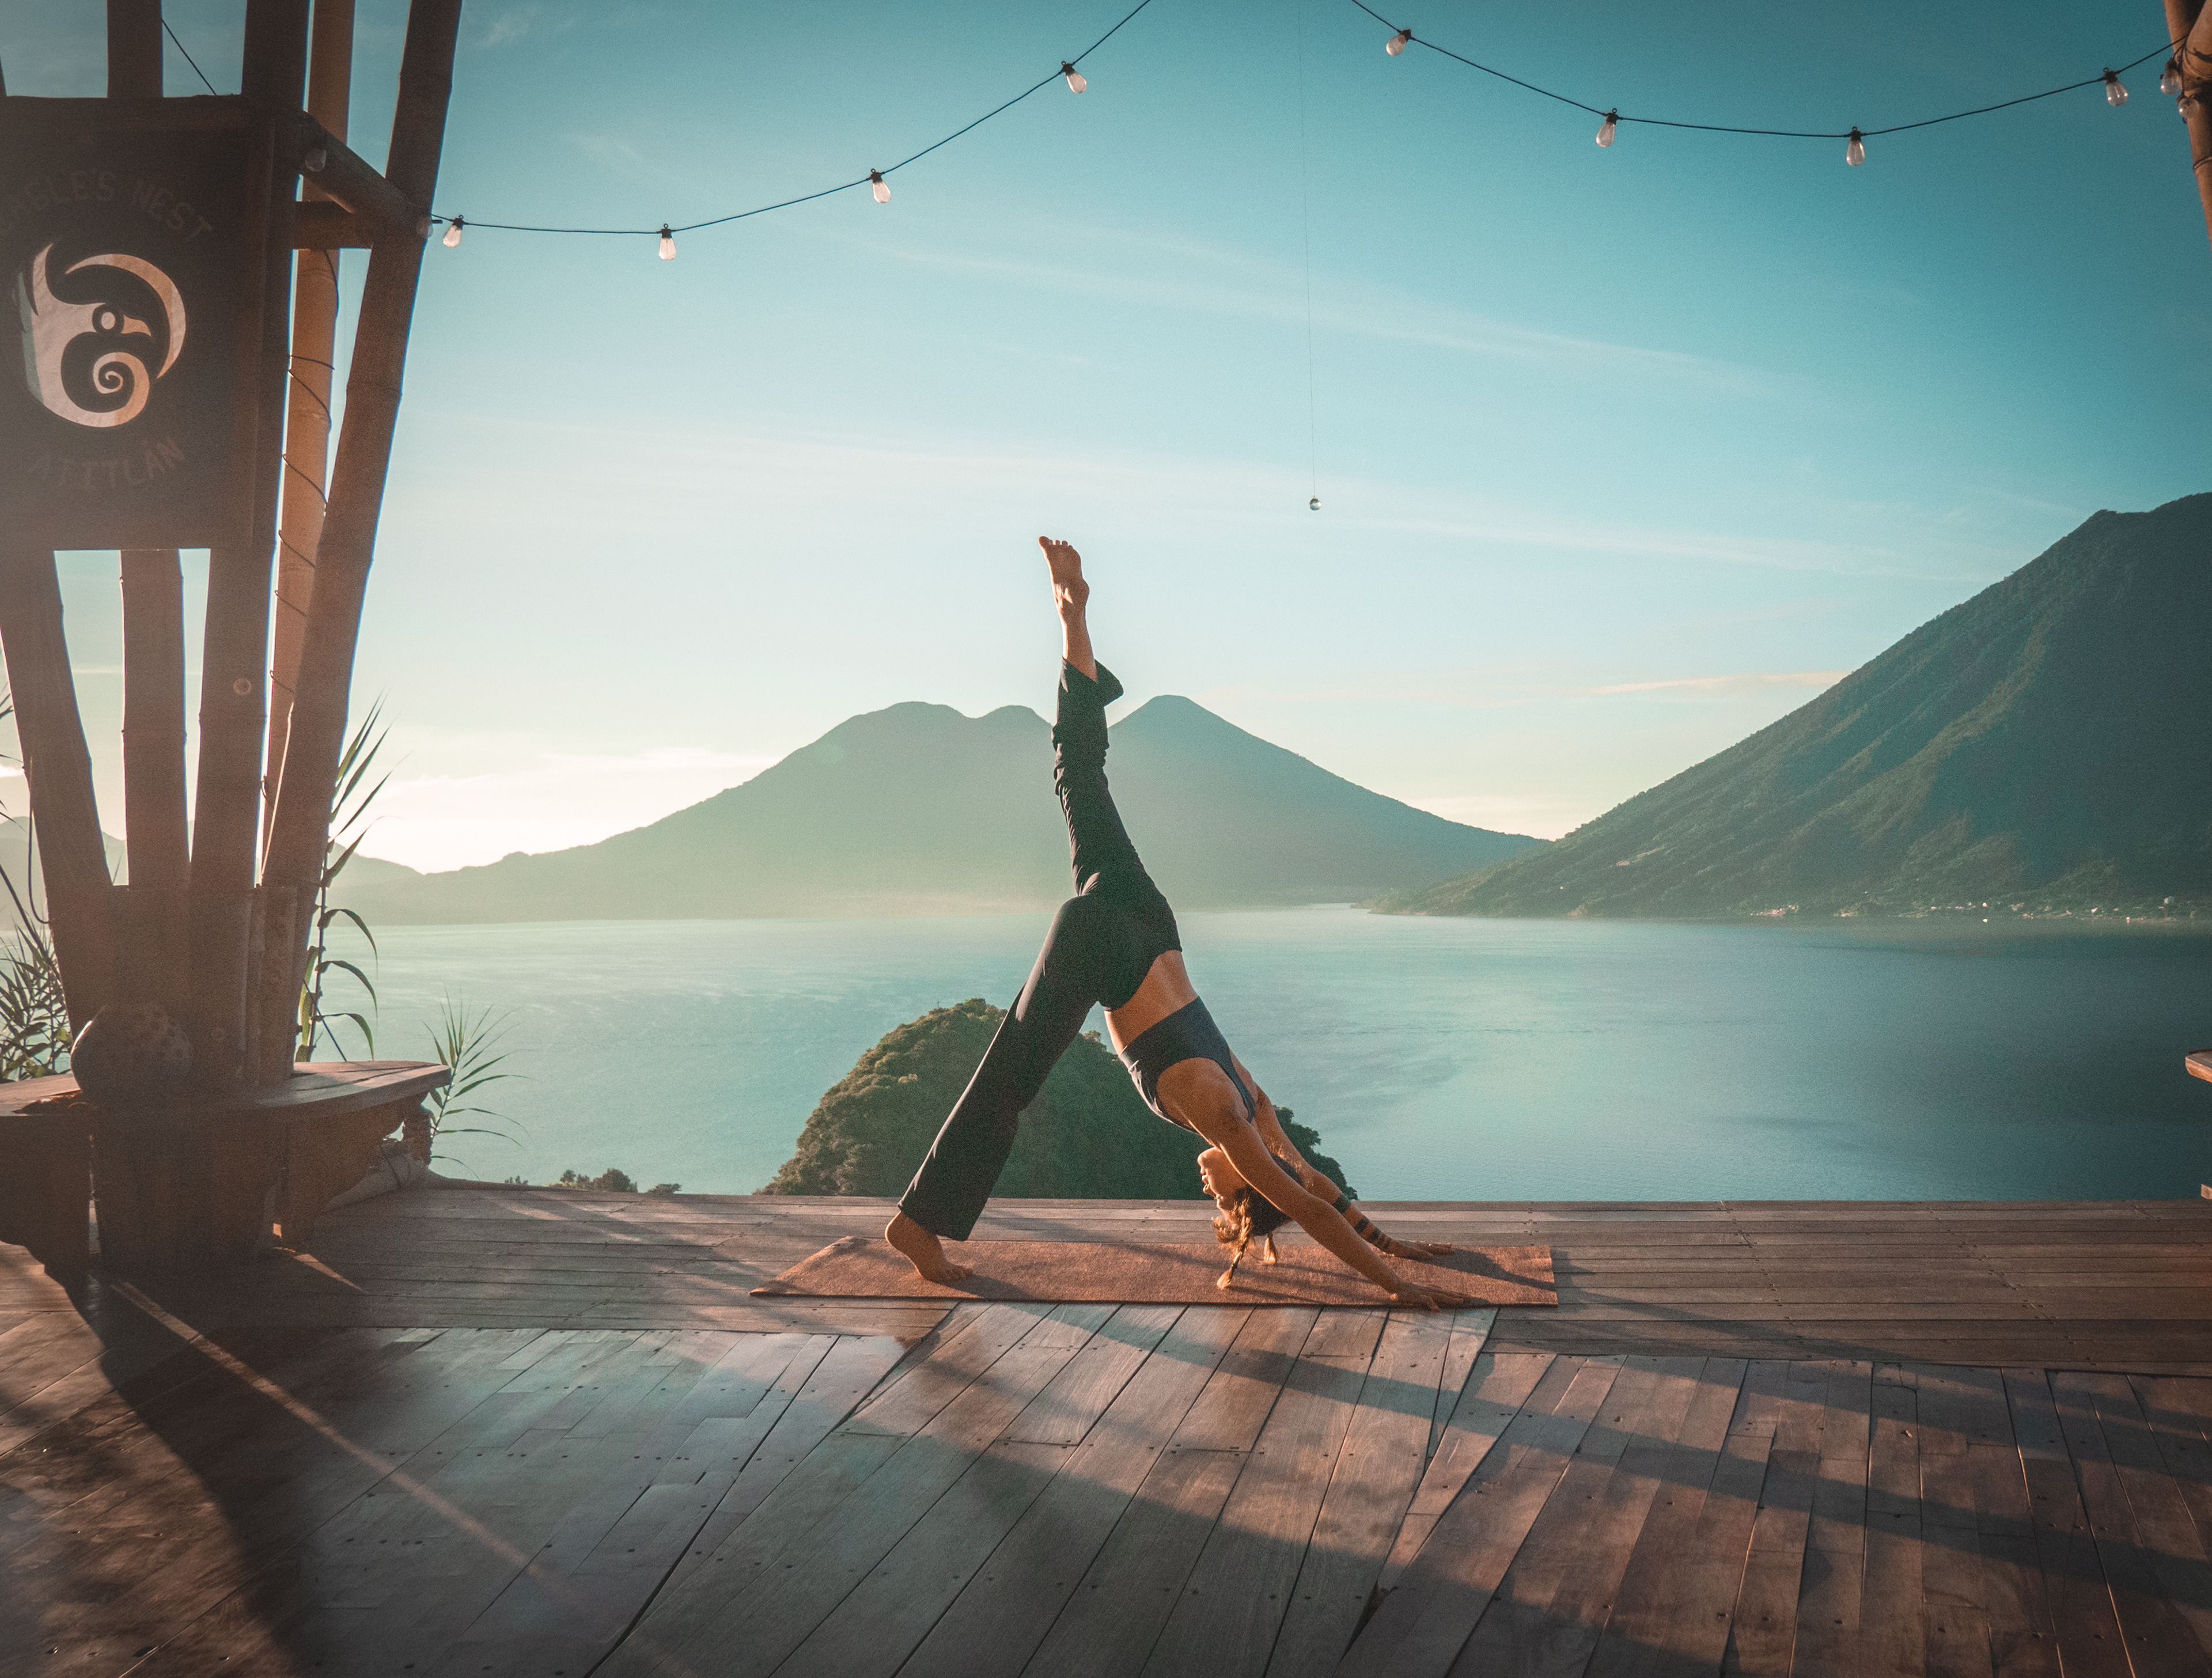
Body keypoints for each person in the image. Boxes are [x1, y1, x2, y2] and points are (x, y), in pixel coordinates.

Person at [884, 537, 1467, 1309]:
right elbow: (1309, 1202)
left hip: (1146, 917)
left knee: (1079, 772)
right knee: (1012, 1074)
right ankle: (918, 1222)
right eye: (1221, 1194)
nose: (1208, 1185)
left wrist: (1392, 1245)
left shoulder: (1252, 1099)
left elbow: (1321, 1188)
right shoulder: (1232, 1122)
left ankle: (1073, 620)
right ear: (1243, 1183)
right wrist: (1394, 1276)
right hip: (1106, 940)